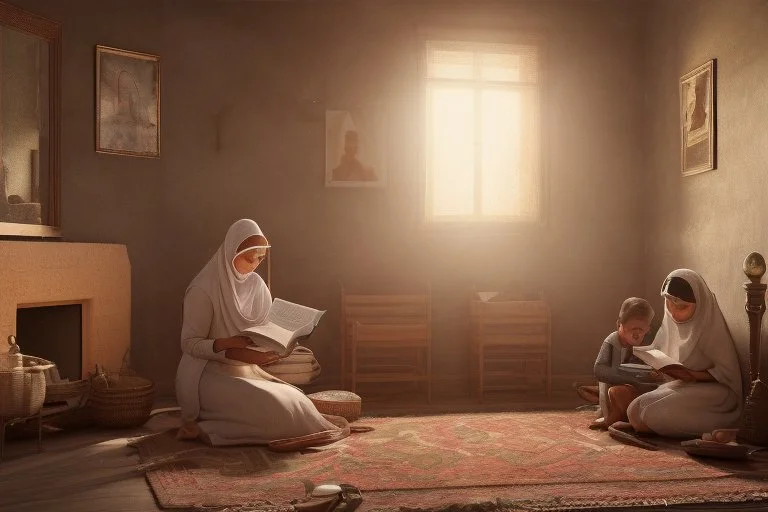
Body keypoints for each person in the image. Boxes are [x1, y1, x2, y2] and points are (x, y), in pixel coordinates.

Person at [175, 219, 348, 448]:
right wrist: (228, 345)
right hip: (206, 374)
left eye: (261, 258)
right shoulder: (203, 289)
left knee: (296, 403)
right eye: (250, 257)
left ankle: (221, 428)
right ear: (231, 252)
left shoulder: (256, 285)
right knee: (276, 413)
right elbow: (189, 344)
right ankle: (206, 429)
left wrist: (277, 347)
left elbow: (265, 331)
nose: (256, 264)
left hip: (246, 369)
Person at [617, 269, 743, 446]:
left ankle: (729, 429)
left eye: (682, 306)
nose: (673, 311)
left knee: (650, 413)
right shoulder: (670, 323)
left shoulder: (710, 326)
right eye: (669, 303)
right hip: (684, 385)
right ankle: (647, 425)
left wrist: (691, 375)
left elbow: (728, 377)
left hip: (718, 395)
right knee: (634, 410)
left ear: (699, 304)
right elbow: (662, 357)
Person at [590, 297, 661, 429]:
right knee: (616, 392)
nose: (636, 335)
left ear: (647, 329)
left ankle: (633, 420)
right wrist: (632, 379)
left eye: (641, 330)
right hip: (620, 390)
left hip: (645, 391)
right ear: (619, 325)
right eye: (632, 329)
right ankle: (617, 417)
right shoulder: (613, 341)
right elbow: (599, 369)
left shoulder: (650, 341)